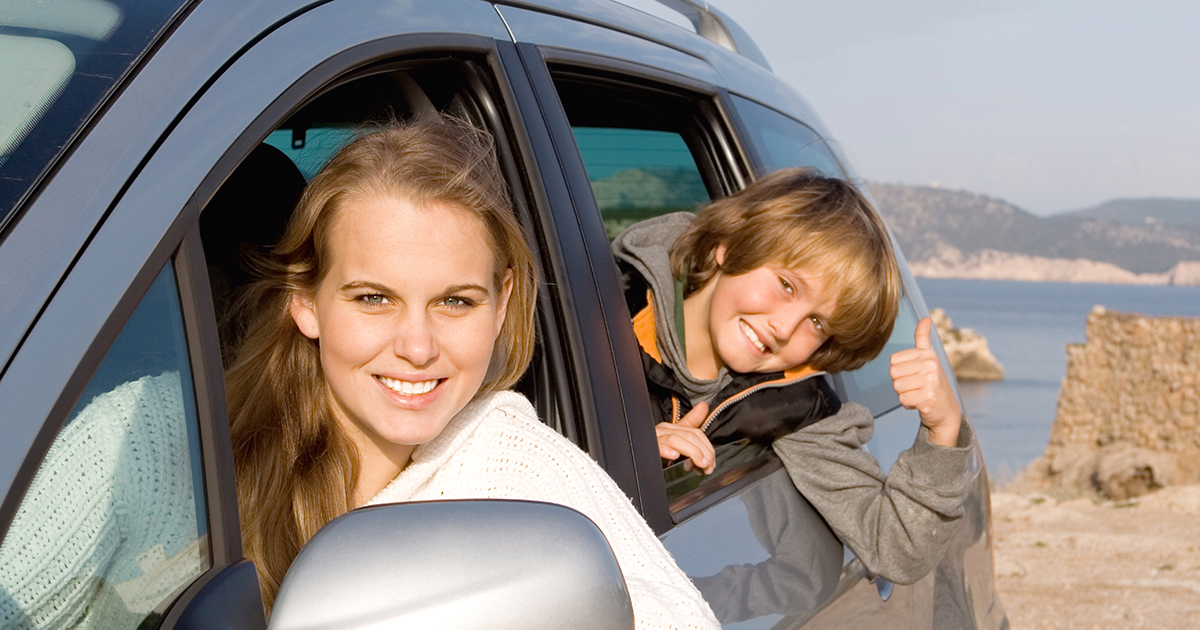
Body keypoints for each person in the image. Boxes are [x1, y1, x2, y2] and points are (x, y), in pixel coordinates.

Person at [224, 117, 719, 628]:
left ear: (501, 304)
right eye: (374, 298)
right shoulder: (193, 446)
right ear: (305, 300)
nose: (418, 348)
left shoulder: (512, 471)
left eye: (455, 302)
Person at [612, 168, 974, 585]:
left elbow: (897, 550)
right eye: (787, 285)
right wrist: (627, 452)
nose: (783, 328)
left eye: (817, 323)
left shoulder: (792, 404)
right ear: (728, 246)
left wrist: (943, 429)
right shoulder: (597, 314)